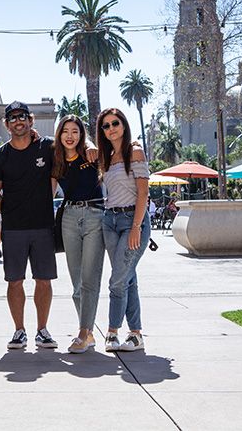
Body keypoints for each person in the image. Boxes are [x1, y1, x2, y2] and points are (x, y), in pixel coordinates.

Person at [0, 101, 58, 350]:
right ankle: (19, 331)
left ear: (31, 120)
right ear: (7, 125)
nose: (18, 121)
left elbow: (73, 144)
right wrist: (10, 212)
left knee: (44, 280)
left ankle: (42, 331)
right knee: (14, 281)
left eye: (22, 116)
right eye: (13, 118)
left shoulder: (47, 147)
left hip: (43, 227)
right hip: (13, 229)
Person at [96, 108, 152, 352]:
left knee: (117, 280)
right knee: (128, 277)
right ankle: (136, 335)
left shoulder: (135, 151)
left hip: (132, 221)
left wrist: (136, 227)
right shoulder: (106, 157)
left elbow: (143, 192)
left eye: (115, 123)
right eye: (106, 125)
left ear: (124, 125)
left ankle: (112, 332)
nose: (111, 129)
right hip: (110, 221)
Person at [51, 115, 105, 354]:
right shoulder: (56, 160)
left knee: (90, 278)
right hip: (69, 218)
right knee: (76, 283)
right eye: (65, 131)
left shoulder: (91, 155)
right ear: (59, 134)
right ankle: (89, 332)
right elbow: (50, 192)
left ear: (82, 134)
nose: (70, 136)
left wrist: (91, 145)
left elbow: (111, 152)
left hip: (95, 215)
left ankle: (83, 333)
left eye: (75, 131)